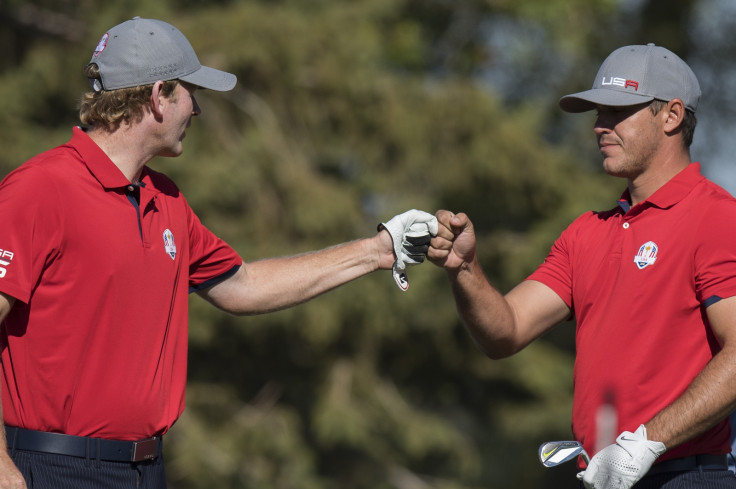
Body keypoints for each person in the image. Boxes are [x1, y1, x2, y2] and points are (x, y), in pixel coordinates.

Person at [0, 17, 437, 489]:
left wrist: (379, 249)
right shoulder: (39, 189)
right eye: (191, 92)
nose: (199, 109)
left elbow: (243, 286)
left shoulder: (166, 199)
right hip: (49, 469)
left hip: (147, 471)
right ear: (158, 96)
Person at [428, 43, 736, 489]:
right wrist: (465, 269)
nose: (599, 127)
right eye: (597, 114)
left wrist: (648, 442)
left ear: (671, 116)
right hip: (604, 476)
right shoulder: (586, 232)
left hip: (686, 476)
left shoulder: (717, 217)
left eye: (618, 112)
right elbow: (504, 331)